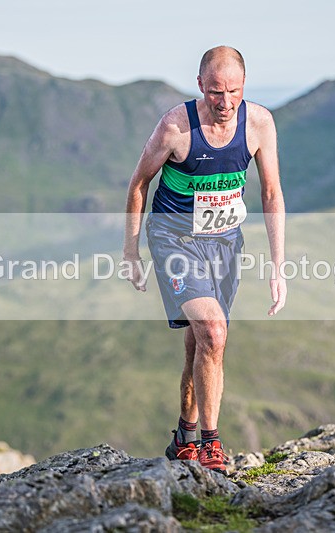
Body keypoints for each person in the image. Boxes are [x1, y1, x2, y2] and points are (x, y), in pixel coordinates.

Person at [122, 46, 286, 473]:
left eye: (233, 91)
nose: (225, 102)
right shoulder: (176, 127)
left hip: (225, 245)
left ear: (244, 86)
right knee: (213, 333)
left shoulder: (260, 124)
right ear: (200, 86)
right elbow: (139, 183)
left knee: (201, 343)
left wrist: (278, 265)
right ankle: (211, 445)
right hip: (174, 238)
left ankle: (184, 437)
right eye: (215, 92)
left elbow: (271, 194)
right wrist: (131, 251)